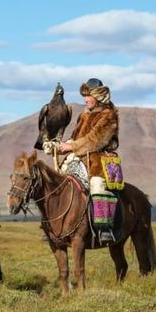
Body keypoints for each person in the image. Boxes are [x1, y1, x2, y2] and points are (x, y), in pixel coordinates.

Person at [57, 78, 120, 243]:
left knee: (97, 184)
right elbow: (76, 138)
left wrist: (71, 147)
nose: (85, 99)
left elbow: (95, 140)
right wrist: (59, 146)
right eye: (84, 96)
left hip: (99, 160)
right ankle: (56, 225)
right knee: (57, 180)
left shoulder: (108, 115)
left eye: (88, 96)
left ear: (98, 97)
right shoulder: (84, 115)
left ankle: (104, 227)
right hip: (79, 158)